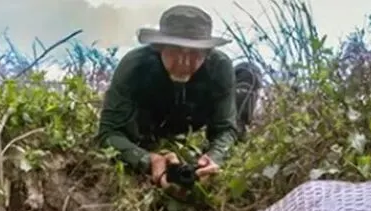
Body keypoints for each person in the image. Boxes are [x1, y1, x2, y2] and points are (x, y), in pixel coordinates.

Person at [95, 4, 262, 188]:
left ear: (207, 53)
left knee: (249, 73)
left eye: (194, 53)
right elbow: (109, 132)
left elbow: (225, 129)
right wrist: (147, 160)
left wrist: (214, 158)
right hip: (151, 125)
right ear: (160, 47)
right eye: (175, 50)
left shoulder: (219, 67)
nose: (184, 62)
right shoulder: (134, 66)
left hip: (195, 117)